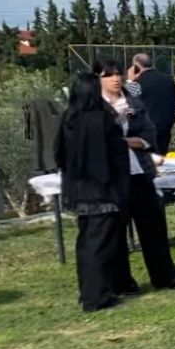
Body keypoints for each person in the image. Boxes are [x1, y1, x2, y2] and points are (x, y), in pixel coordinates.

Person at [96, 59, 175, 293]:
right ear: (98, 79)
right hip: (112, 176)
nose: (115, 79)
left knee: (154, 226)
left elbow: (148, 133)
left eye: (118, 74)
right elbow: (98, 140)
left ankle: (166, 277)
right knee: (117, 231)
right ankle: (122, 284)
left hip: (141, 171)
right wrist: (124, 142)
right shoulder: (94, 108)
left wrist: (129, 141)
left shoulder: (132, 102)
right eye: (108, 75)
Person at [56, 72, 130, 312]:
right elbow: (116, 154)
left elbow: (59, 155)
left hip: (79, 191)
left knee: (86, 244)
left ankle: (89, 291)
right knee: (101, 246)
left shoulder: (69, 118)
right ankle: (97, 297)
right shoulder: (102, 119)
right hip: (102, 191)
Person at [127, 53, 175, 155]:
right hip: (165, 130)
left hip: (144, 133)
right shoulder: (168, 80)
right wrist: (170, 122)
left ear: (136, 67)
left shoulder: (138, 83)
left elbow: (128, 102)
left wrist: (129, 81)